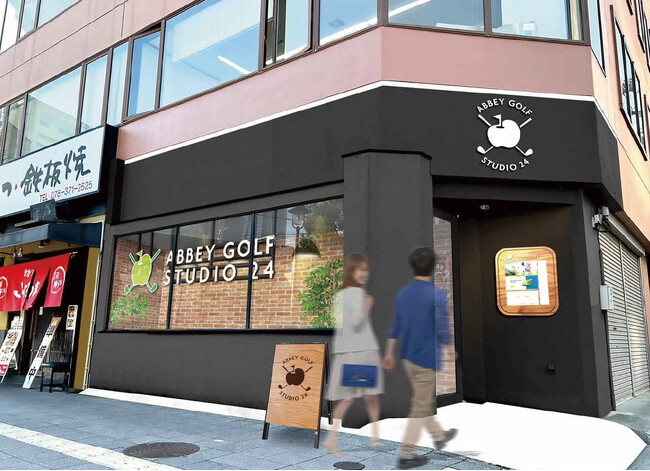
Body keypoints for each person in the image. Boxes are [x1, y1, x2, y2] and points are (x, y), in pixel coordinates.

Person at [383, 247, 457, 469]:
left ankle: (439, 436)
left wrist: (389, 353)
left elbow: (395, 327)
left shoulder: (403, 294)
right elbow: (442, 328)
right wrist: (450, 349)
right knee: (420, 405)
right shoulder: (437, 295)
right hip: (426, 358)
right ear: (432, 268)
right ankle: (407, 455)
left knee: (422, 401)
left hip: (408, 357)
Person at [325, 253, 384, 457]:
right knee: (360, 397)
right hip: (359, 352)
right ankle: (337, 440)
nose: (364, 273)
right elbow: (355, 323)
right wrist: (367, 306)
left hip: (355, 351)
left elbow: (340, 323)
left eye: (366, 270)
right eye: (360, 269)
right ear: (351, 271)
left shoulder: (341, 296)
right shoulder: (357, 296)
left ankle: (371, 438)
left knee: (361, 397)